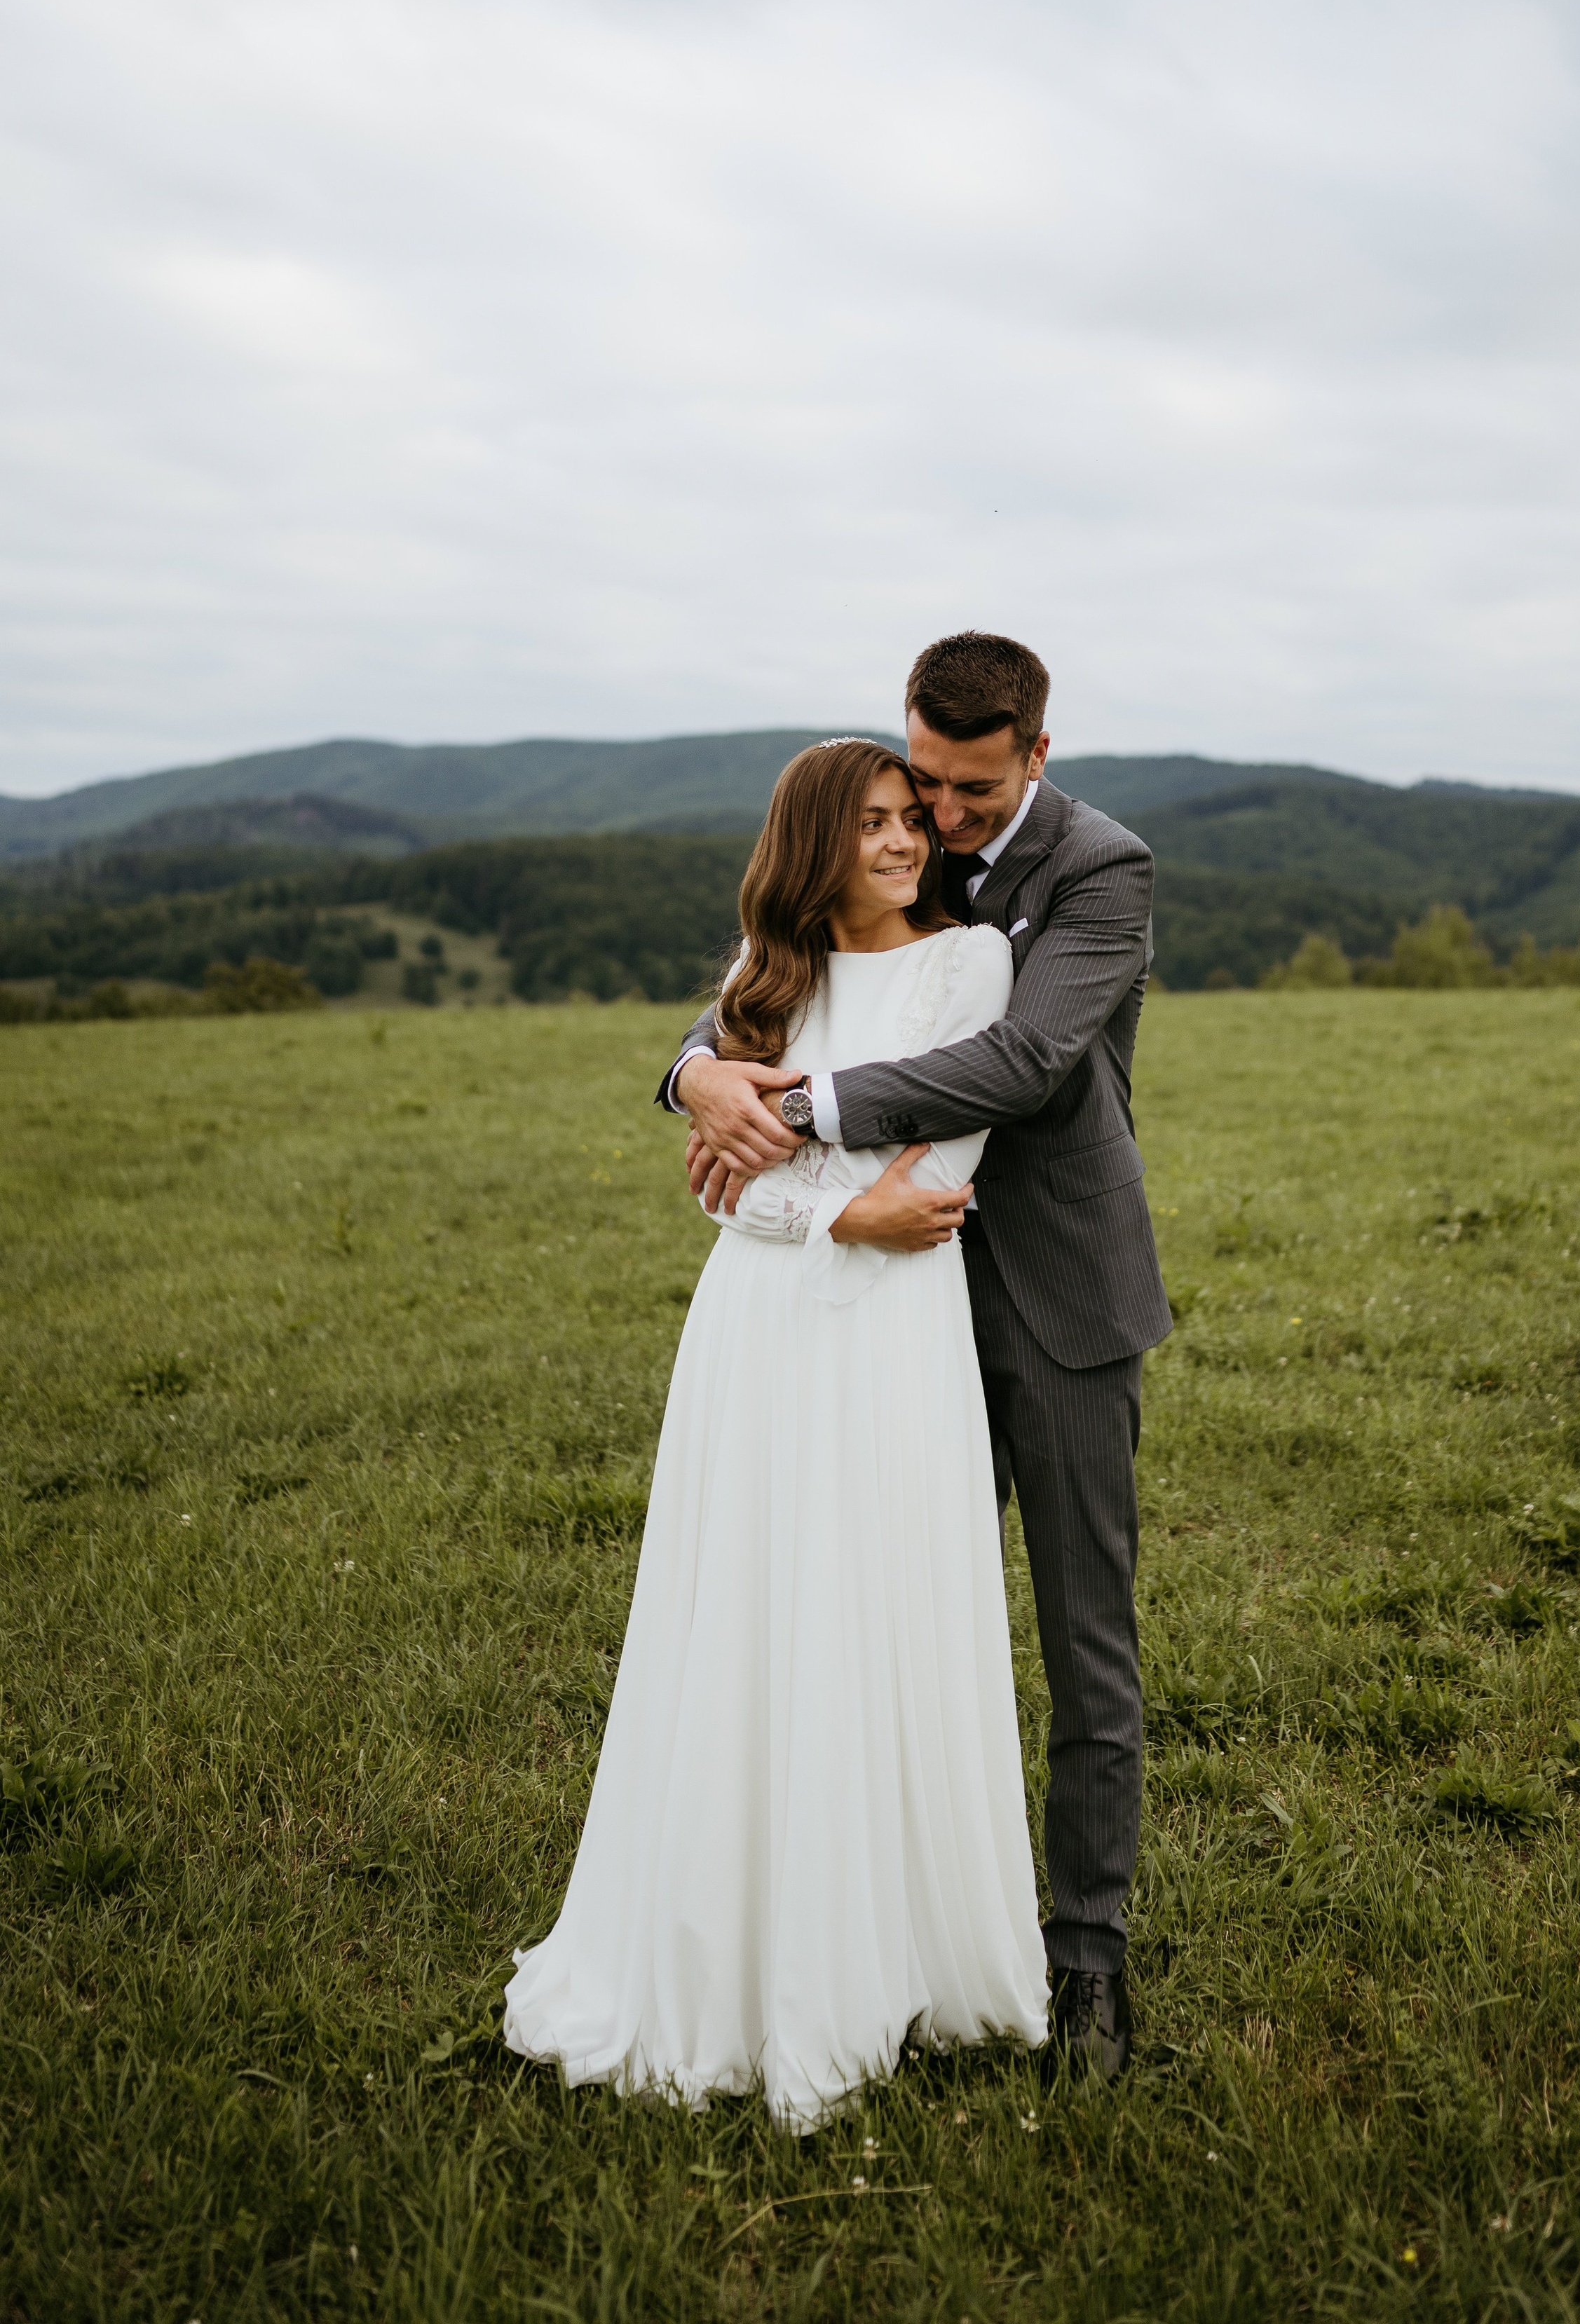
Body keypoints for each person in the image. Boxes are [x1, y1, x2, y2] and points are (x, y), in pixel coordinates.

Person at [504, 738, 1049, 2126]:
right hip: (753, 1334)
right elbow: (719, 1190)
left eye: (905, 817)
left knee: (878, 1606)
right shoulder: (767, 971)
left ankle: (901, 1951)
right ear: (815, 839)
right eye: (867, 822)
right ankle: (721, 1947)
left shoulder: (968, 965)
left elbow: (935, 1177)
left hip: (891, 1334)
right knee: (746, 1611)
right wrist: (813, 1199)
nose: (900, 838)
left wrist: (817, 1187)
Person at [672, 633, 1171, 2081]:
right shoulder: (905, 835)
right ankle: (872, 1933)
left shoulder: (1100, 870)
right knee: (878, 1620)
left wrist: (794, 1109)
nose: (937, 820)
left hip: (1059, 1290)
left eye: (964, 791)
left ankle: (1085, 1968)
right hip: (891, 1314)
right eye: (921, 786)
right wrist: (695, 1071)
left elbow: (1020, 1066)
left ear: (1033, 753)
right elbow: (783, 971)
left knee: (1086, 1642)